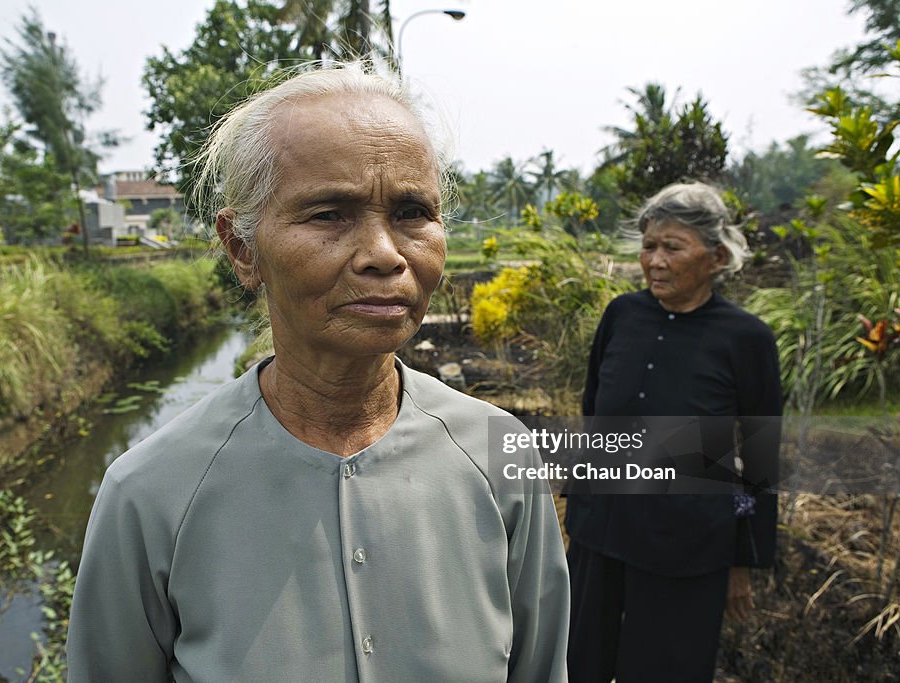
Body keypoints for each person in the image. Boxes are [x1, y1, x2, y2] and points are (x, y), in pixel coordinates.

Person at [66, 64, 570, 682]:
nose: (385, 255)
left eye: (413, 212)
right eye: (330, 214)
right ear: (242, 249)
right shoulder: (150, 492)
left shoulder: (498, 453)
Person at [563, 182, 782, 682]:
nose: (655, 260)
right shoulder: (622, 315)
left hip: (687, 549)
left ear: (716, 256)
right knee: (577, 664)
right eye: (648, 246)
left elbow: (761, 457)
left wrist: (741, 558)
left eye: (672, 247)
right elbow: (594, 411)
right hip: (601, 532)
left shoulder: (745, 339)